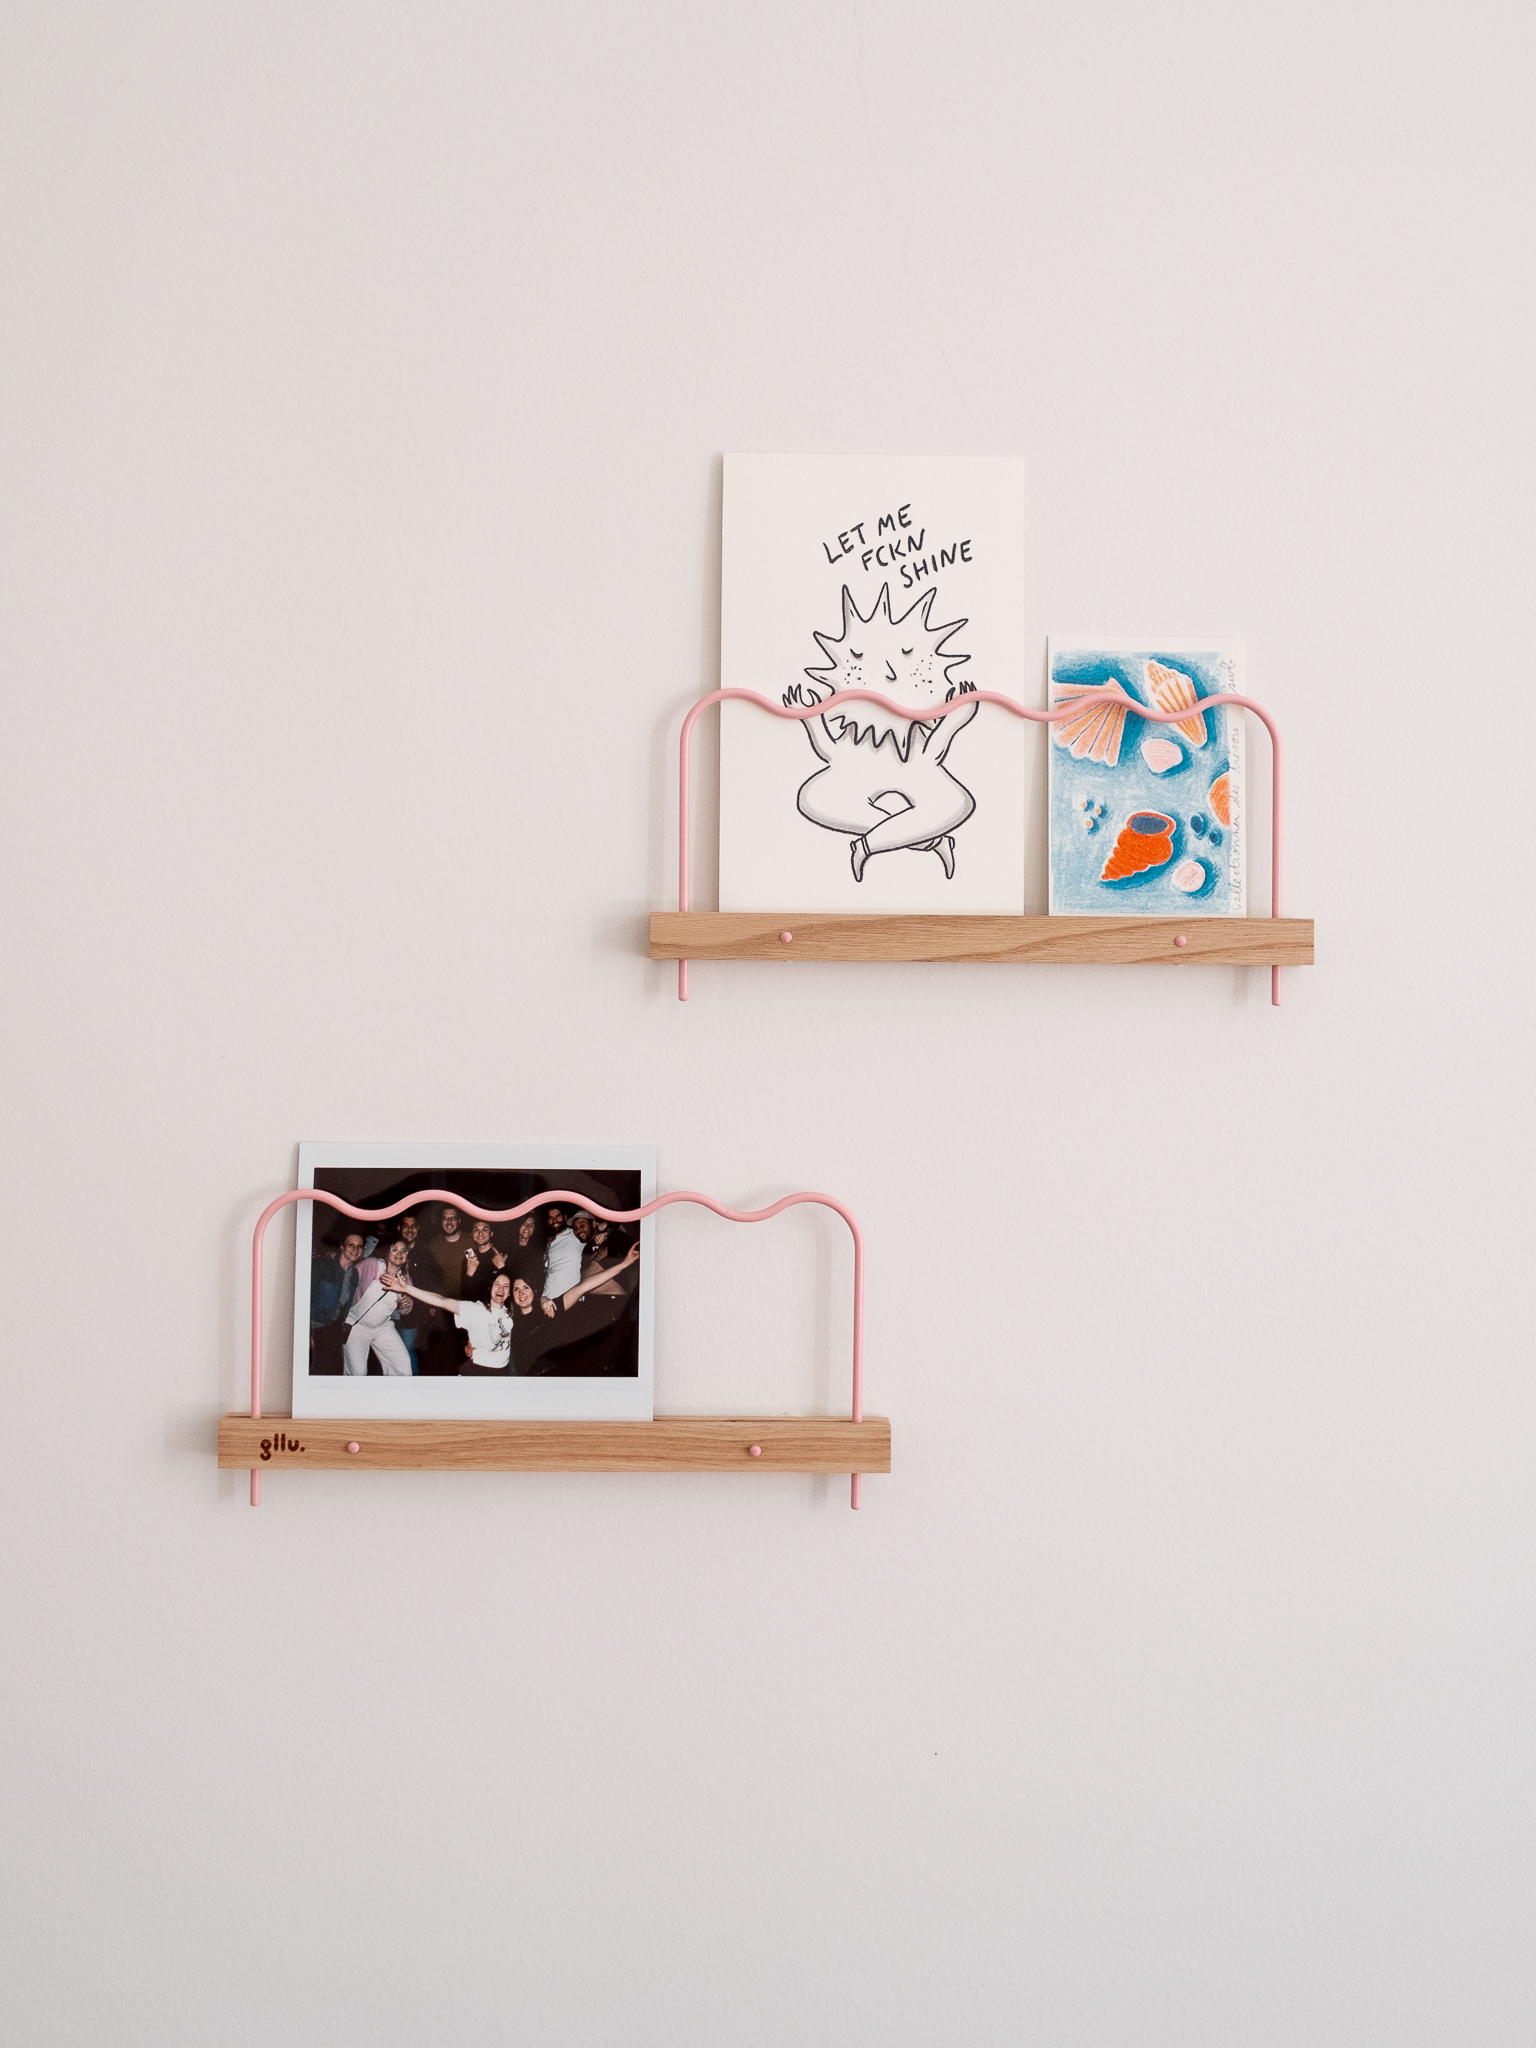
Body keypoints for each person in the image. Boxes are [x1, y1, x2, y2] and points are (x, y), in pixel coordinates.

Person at [384, 1268, 516, 1375]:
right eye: (497, 1284)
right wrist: (406, 1288)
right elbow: (441, 1301)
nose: (501, 1289)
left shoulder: (511, 1314)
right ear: (490, 1287)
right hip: (480, 1371)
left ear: (509, 1292)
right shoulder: (474, 1309)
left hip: (504, 1372)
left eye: (506, 1286)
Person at [343, 1248, 415, 1376]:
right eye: (395, 1249)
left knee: (403, 1366)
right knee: (357, 1373)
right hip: (356, 1326)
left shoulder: (406, 1279)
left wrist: (407, 1303)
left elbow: (404, 1311)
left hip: (383, 1327)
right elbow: (348, 1278)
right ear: (387, 1252)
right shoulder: (372, 1264)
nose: (399, 1254)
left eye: (404, 1251)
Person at [310, 1230, 364, 1375]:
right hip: (317, 1325)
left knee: (335, 1368)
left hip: (334, 1326)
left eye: (359, 1246)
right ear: (342, 1246)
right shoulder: (322, 1266)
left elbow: (345, 1303)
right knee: (319, 1369)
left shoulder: (354, 1274)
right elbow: (306, 1298)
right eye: (351, 1245)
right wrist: (308, 1333)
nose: (355, 1249)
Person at [459, 1217, 507, 1304]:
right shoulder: (470, 1259)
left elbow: (512, 1288)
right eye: (476, 1230)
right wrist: (469, 1273)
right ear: (471, 1234)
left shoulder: (501, 1255)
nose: (480, 1233)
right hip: (476, 1308)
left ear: (491, 1233)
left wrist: (502, 1268)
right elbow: (465, 1294)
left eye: (485, 1230)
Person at [543, 1210, 585, 1303]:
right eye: (551, 1218)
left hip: (571, 1299)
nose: (554, 1220)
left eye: (558, 1216)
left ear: (565, 1217)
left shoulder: (576, 1233)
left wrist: (605, 1232)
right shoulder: (548, 1242)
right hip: (548, 1299)